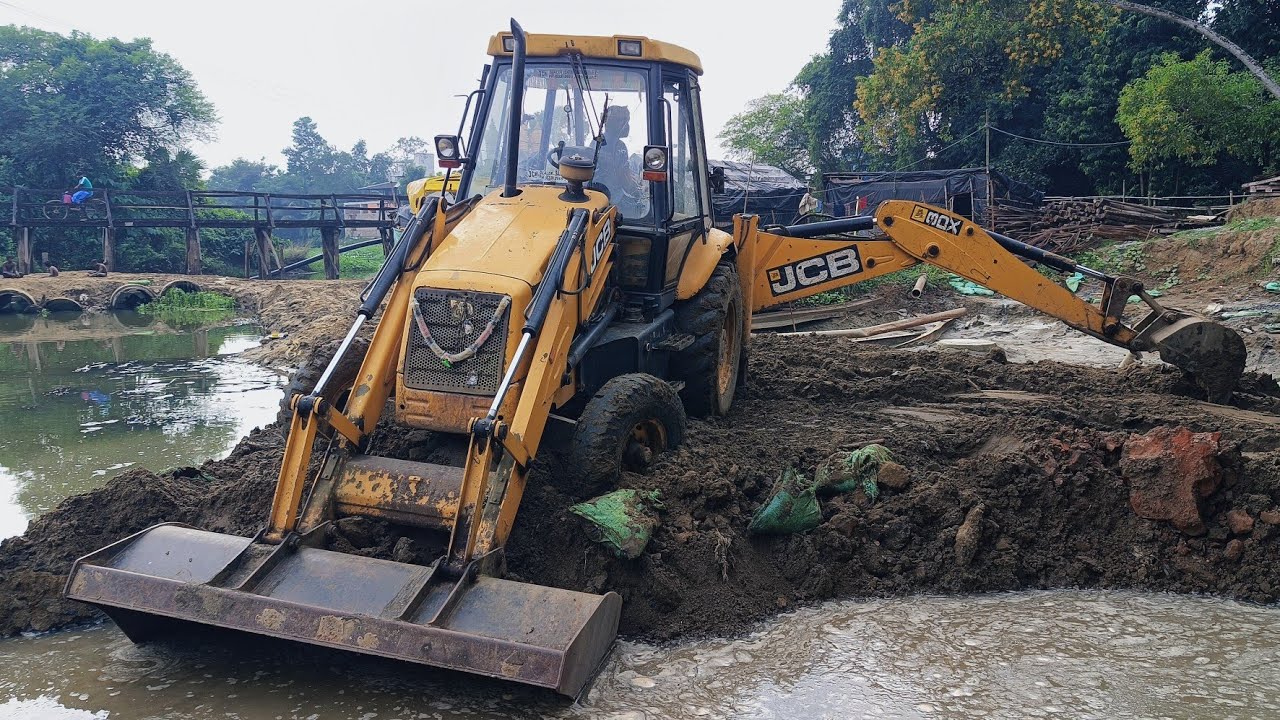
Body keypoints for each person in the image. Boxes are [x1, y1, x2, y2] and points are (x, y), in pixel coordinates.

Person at [592, 106, 645, 217]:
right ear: (614, 123)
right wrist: (637, 191)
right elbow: (624, 177)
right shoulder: (619, 147)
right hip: (612, 198)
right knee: (640, 209)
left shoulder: (596, 142)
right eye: (624, 121)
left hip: (595, 194)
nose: (627, 126)